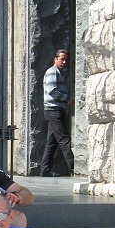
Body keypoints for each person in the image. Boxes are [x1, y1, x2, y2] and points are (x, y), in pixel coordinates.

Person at [40, 49, 74, 177]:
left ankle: (45, 169)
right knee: (64, 139)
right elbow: (52, 90)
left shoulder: (58, 72)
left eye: (66, 59)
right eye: (62, 59)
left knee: (52, 142)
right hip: (53, 111)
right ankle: (74, 168)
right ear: (55, 59)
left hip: (55, 110)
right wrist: (66, 99)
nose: (64, 62)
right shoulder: (52, 72)